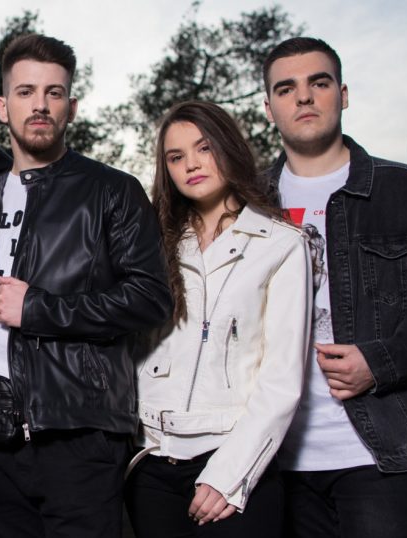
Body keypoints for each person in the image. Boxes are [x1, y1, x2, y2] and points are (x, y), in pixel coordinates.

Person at [0, 33, 171, 537]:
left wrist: (40, 309)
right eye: (25, 92)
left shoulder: (112, 190)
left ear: (71, 107)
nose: (39, 105)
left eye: (53, 93)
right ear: (3, 107)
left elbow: (151, 297)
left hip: (79, 433)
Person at [262, 37, 407, 538]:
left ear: (342, 95)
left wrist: (382, 361)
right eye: (286, 88)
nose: (303, 97)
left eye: (319, 83)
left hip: (381, 454)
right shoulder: (248, 204)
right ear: (269, 107)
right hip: (270, 460)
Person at [123, 101, 310, 537]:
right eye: (176, 157)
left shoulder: (281, 243)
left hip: (230, 457)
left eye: (203, 148)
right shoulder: (153, 240)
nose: (191, 164)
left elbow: (282, 378)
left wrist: (230, 475)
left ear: (228, 147)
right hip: (150, 462)